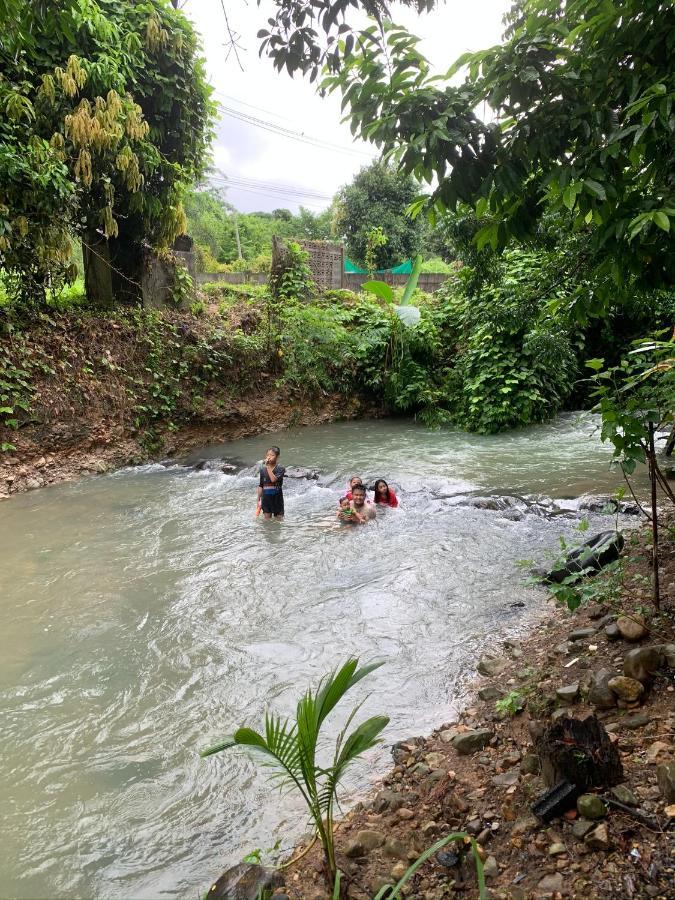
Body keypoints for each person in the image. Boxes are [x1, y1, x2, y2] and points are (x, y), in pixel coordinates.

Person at [257, 446, 285, 519]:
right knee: (267, 522)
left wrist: (268, 467)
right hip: (266, 499)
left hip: (277, 499)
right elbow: (261, 485)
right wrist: (258, 500)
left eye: (272, 455)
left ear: (277, 457)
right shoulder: (262, 469)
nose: (269, 457)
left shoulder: (280, 468)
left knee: (279, 521)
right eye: (268, 455)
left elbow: (273, 480)